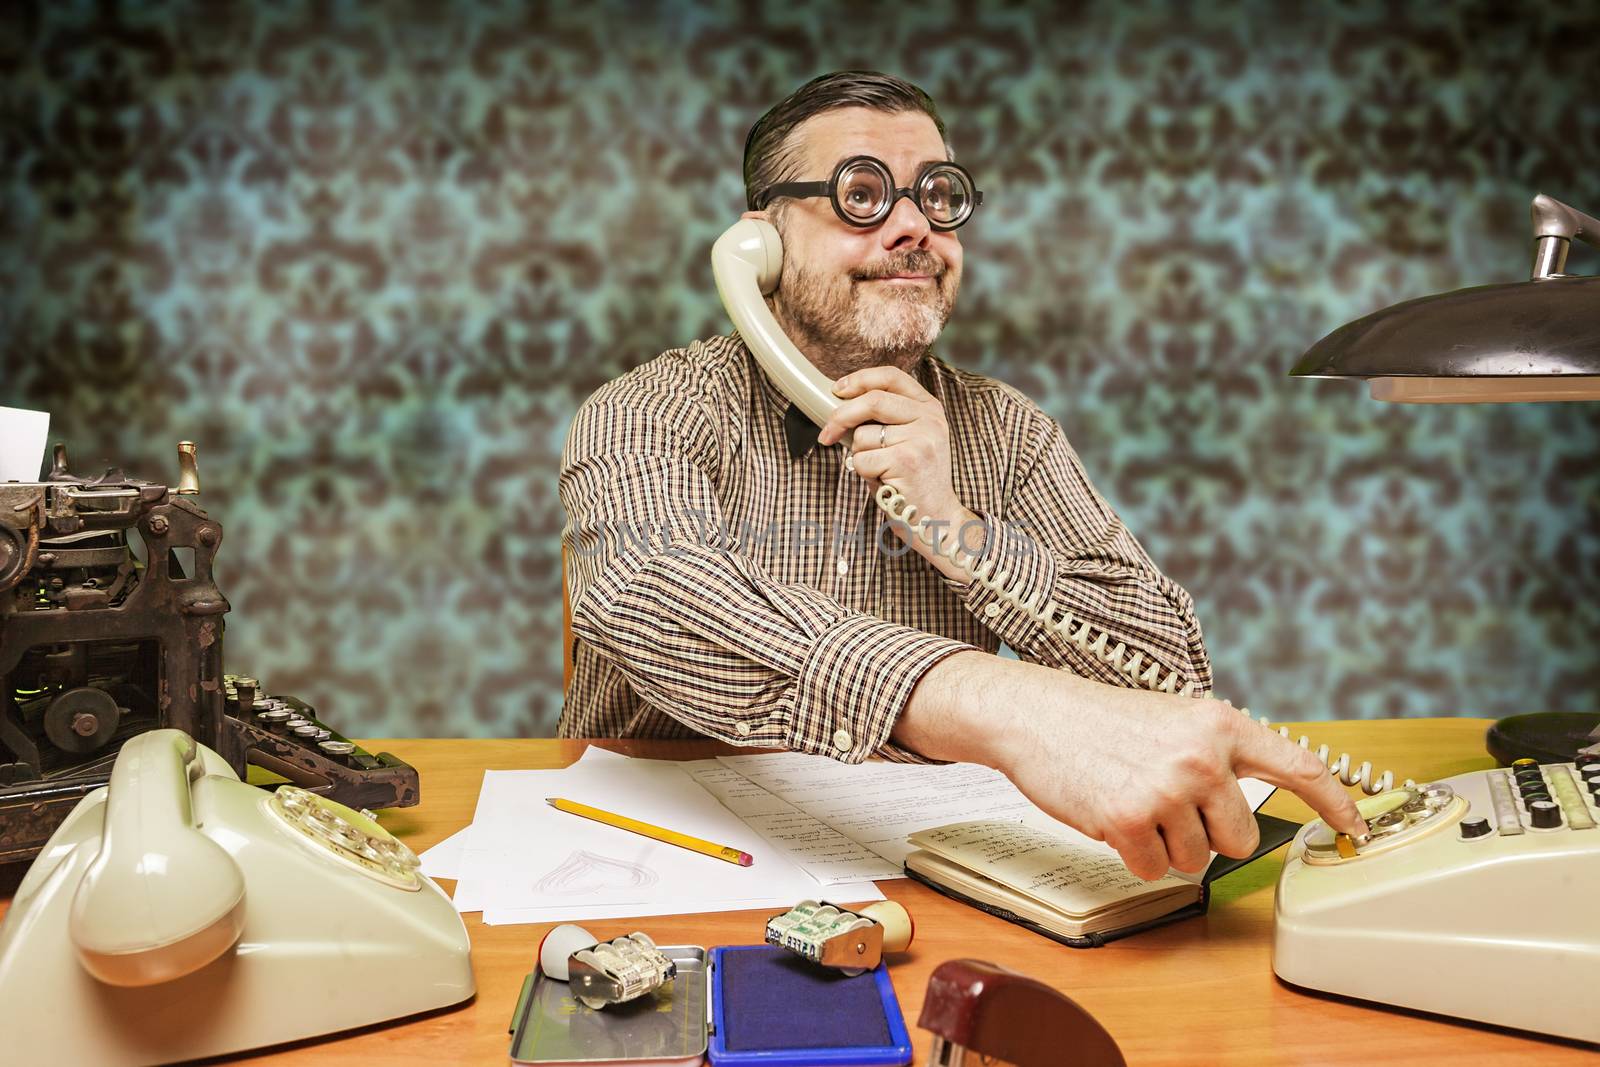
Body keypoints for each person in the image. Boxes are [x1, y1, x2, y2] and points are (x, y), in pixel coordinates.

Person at [558, 70, 1366, 880]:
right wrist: (995, 704)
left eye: (937, 195)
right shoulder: (648, 411)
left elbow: (1171, 677)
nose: (915, 227)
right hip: (660, 858)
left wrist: (957, 528)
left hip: (917, 868)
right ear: (760, 243)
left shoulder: (1007, 432)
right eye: (861, 193)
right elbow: (648, 590)